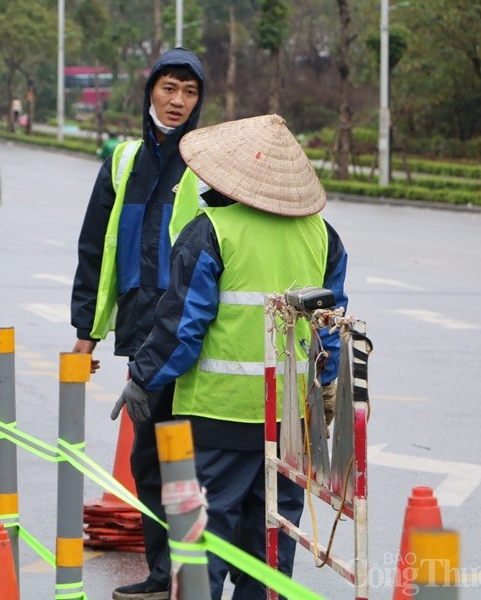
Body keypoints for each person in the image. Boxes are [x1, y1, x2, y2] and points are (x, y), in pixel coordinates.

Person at [113, 114, 349, 599]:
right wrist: (325, 387)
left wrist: (142, 377)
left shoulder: (210, 232)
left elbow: (181, 329)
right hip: (290, 422)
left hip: (217, 415)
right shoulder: (323, 236)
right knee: (272, 537)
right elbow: (331, 328)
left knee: (205, 536)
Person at [70, 47, 206, 600]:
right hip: (142, 329)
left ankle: (192, 572)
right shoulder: (124, 161)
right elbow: (94, 252)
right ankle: (164, 570)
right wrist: (87, 333)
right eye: (169, 88)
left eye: (190, 92)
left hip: (193, 329)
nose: (177, 102)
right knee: (150, 454)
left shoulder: (205, 159)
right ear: (149, 90)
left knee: (189, 453)